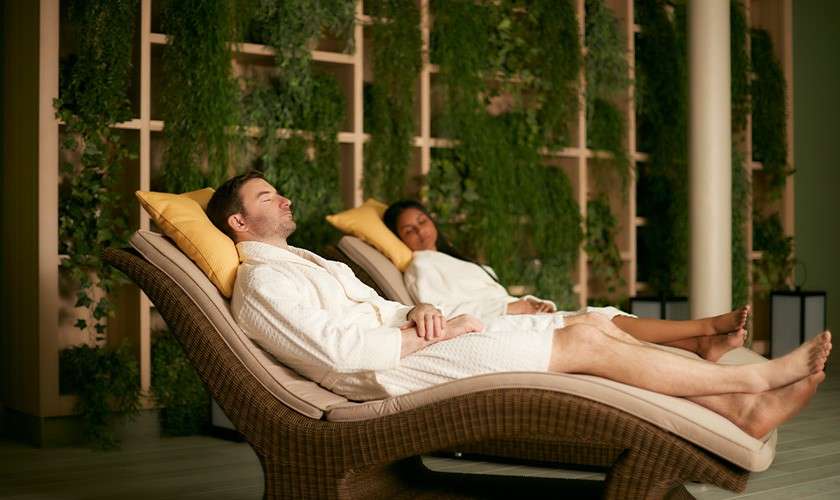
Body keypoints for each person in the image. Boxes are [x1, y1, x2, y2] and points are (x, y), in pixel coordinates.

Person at [206, 172, 831, 440]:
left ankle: (737, 407)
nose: (284, 199)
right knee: (587, 342)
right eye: (269, 196)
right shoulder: (263, 286)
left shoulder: (307, 264)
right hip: (390, 376)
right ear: (239, 220)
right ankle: (756, 380)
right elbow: (343, 357)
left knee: (596, 334)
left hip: (412, 345)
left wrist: (416, 316)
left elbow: (378, 316)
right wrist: (424, 335)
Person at [384, 199, 749, 362]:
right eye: (408, 229)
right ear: (399, 238)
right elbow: (445, 313)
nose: (419, 231)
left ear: (433, 220)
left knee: (600, 317)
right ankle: (706, 327)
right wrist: (512, 307)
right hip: (495, 327)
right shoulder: (421, 267)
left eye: (422, 221)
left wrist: (527, 302)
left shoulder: (450, 258)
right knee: (599, 319)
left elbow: (486, 294)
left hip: (511, 316)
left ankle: (698, 345)